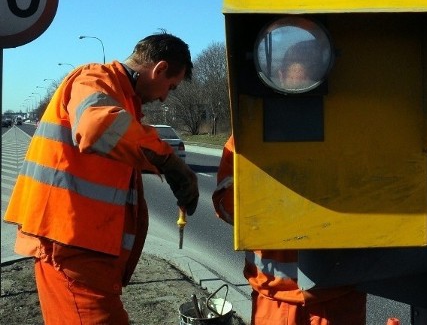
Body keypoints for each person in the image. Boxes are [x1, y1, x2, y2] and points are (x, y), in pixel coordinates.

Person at [3, 31, 199, 325]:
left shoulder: (122, 98)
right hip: (68, 247)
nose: (164, 97)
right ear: (158, 69)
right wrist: (170, 163)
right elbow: (97, 127)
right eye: (169, 87)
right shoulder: (94, 77)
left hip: (83, 248)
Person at [213, 136, 366, 325]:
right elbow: (225, 202)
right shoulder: (249, 128)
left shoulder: (252, 126)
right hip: (283, 298)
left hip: (333, 297)